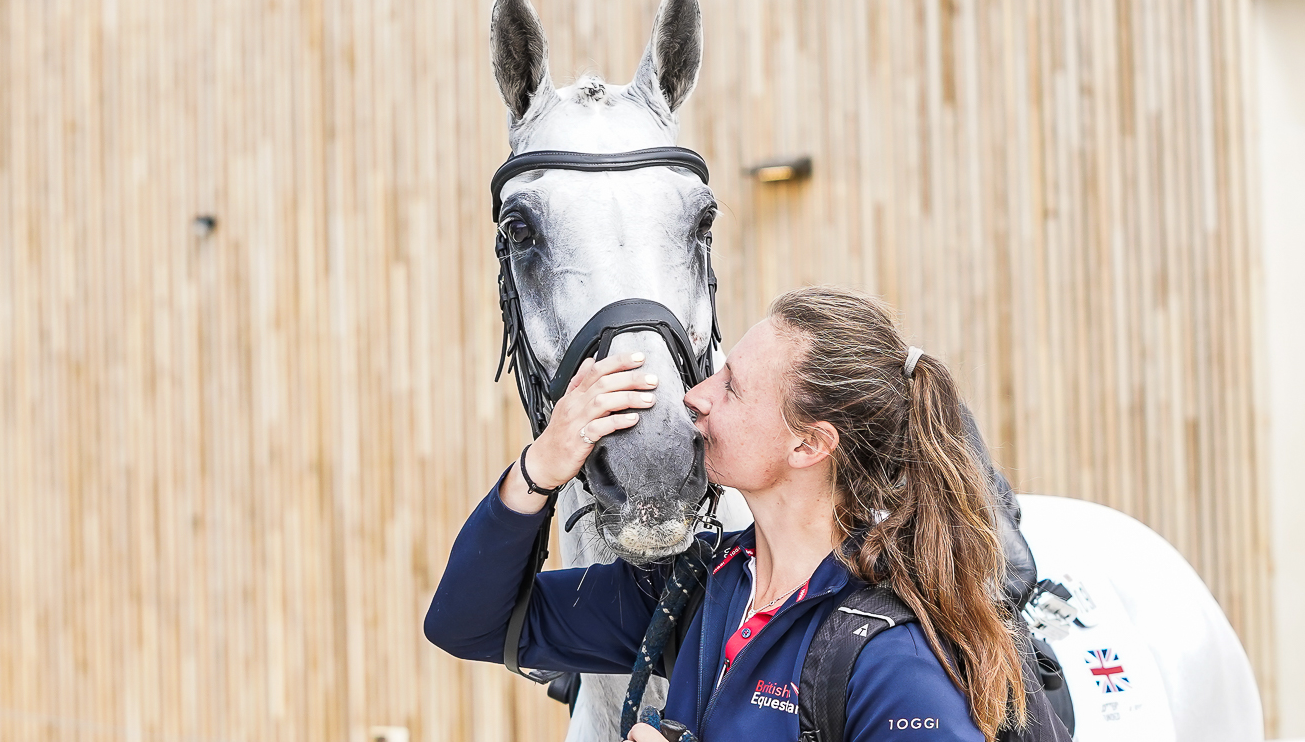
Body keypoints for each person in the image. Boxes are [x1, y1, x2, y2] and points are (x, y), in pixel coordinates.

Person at [425, 286, 1034, 741]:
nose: (695, 397)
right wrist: (538, 470)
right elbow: (468, 624)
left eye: (733, 388)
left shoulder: (891, 657)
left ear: (809, 445)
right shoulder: (694, 590)